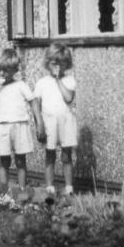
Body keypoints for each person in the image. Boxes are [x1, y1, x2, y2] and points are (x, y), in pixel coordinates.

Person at [0, 48, 39, 194]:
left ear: (14, 70)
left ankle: (22, 189)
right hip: (2, 126)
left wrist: (39, 121)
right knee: (4, 161)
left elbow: (33, 102)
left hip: (19, 125)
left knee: (20, 160)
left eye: (6, 70)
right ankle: (3, 191)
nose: (2, 74)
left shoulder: (20, 85)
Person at [34, 43, 77, 196]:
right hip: (49, 122)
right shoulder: (41, 83)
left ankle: (69, 187)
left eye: (61, 63)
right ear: (48, 63)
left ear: (67, 64)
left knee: (66, 155)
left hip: (65, 122)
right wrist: (39, 124)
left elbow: (68, 98)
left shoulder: (69, 80)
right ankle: (50, 186)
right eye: (54, 63)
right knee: (50, 155)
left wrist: (59, 79)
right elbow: (36, 105)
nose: (57, 66)